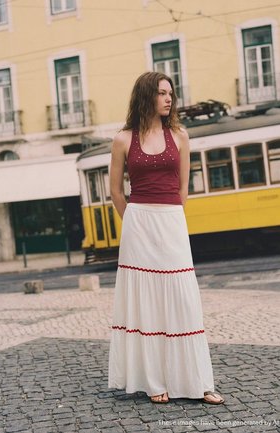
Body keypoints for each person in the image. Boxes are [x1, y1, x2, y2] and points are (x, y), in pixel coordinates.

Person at [108, 71, 224, 405]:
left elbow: (183, 186)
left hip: (171, 220)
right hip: (139, 223)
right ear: (146, 96)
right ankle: (154, 380)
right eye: (161, 93)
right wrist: (132, 218)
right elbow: (116, 191)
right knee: (147, 305)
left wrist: (172, 217)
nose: (169, 98)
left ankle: (198, 381)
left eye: (171, 93)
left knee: (183, 300)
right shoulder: (122, 139)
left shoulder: (180, 135)